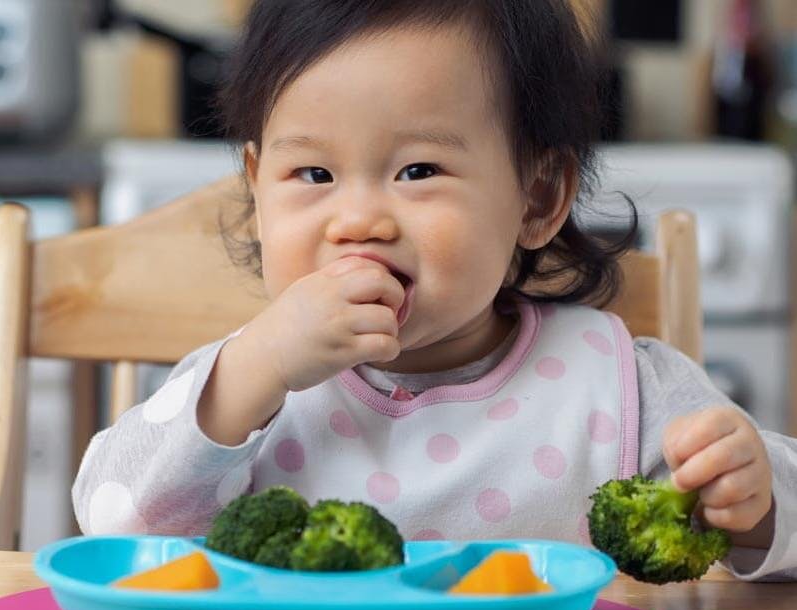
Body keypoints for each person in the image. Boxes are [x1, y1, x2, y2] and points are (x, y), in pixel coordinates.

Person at [73, 0, 796, 580]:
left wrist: (756, 504)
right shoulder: (244, 386)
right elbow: (113, 521)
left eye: (417, 171)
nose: (357, 220)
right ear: (258, 189)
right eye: (314, 175)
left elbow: (776, 513)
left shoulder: (622, 387)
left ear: (538, 198)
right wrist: (252, 371)